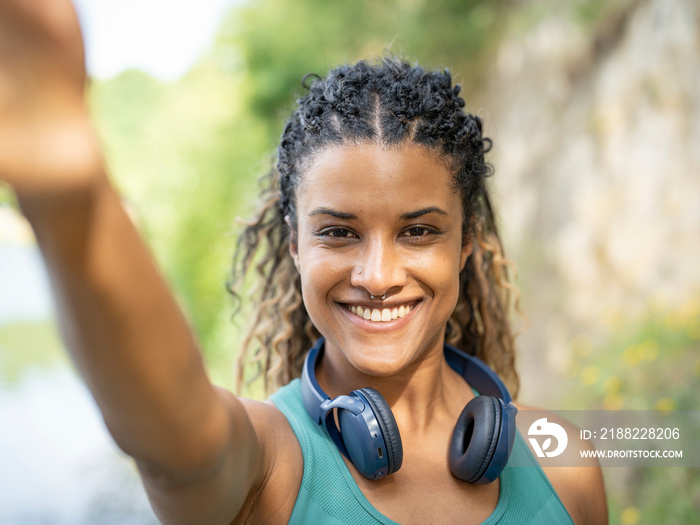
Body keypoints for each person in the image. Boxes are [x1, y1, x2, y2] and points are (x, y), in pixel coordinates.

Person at [0, 0, 607, 523]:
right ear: (295, 245)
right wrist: (69, 196)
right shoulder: (272, 464)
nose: (377, 276)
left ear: (467, 241)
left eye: (418, 231)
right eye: (339, 233)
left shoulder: (568, 461)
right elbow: (178, 443)